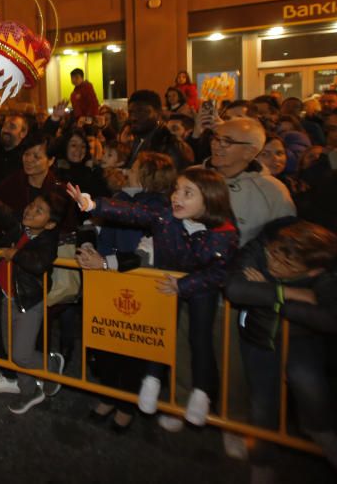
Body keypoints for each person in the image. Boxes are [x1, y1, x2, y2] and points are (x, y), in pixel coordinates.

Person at [69, 167, 238, 431]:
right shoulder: (165, 217)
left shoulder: (224, 232)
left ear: (210, 198)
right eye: (176, 190)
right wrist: (92, 204)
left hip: (199, 287)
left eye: (187, 192)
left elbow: (219, 272)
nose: (176, 197)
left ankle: (202, 394)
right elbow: (132, 213)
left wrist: (184, 285)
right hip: (168, 282)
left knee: (200, 338)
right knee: (160, 332)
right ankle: (151, 380)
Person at [225, 220, 337, 481]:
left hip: (301, 337)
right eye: (273, 256)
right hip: (259, 334)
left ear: (312, 272)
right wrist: (287, 293)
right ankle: (262, 460)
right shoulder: (261, 247)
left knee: (310, 383)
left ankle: (320, 430)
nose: (274, 265)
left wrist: (270, 298)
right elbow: (235, 288)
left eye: (287, 266)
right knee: (262, 400)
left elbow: (332, 318)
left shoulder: (328, 274)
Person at [79, 151, 178, 433]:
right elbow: (98, 228)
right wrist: (89, 250)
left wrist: (107, 262)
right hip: (109, 279)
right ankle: (109, 395)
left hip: (140, 283)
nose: (128, 170)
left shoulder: (160, 206)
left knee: (133, 348)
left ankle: (126, 405)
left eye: (134, 167)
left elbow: (149, 251)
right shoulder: (121, 198)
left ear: (148, 174)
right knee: (108, 343)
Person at [0, 172, 68, 414]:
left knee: (21, 354)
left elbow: (39, 263)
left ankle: (51, 363)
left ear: (50, 224)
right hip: (7, 298)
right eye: (32, 206)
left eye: (39, 211)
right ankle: (29, 391)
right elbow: (3, 212)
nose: (30, 211)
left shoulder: (48, 240)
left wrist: (14, 254)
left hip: (28, 303)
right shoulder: (21, 225)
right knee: (10, 351)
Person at [204, 118, 295, 245]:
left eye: (226, 141)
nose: (215, 145)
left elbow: (281, 239)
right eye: (215, 138)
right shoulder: (192, 177)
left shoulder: (272, 190)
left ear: (249, 152)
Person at [124, 90, 193, 171]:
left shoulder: (172, 147)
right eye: (131, 112)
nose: (133, 117)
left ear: (158, 113)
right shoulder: (135, 141)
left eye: (141, 112)